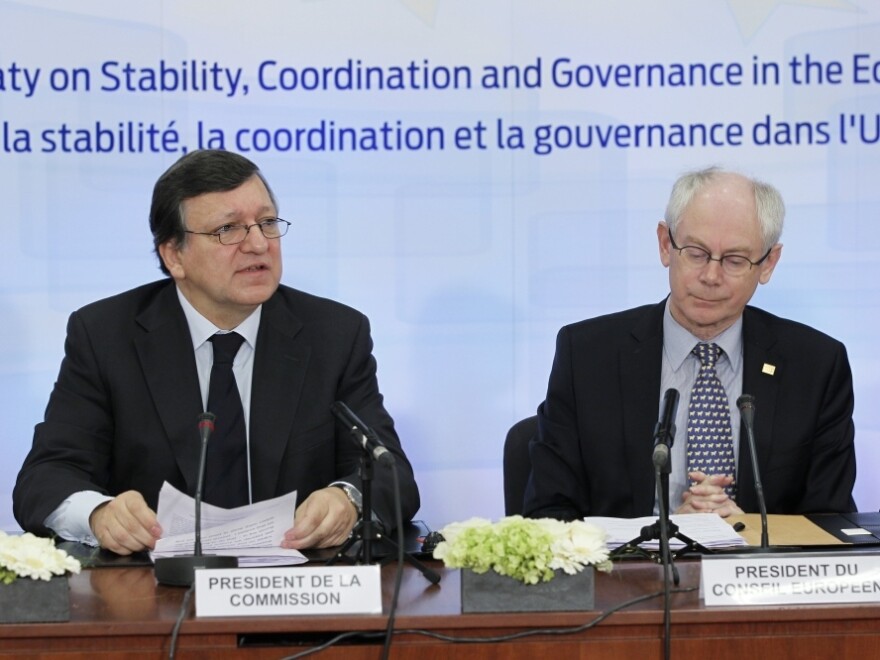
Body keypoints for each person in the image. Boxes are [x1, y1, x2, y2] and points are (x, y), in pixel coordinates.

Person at [14, 149, 419, 555]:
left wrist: (348, 499)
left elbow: (391, 473)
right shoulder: (106, 336)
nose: (259, 244)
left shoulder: (334, 335)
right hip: (153, 595)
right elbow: (47, 476)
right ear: (174, 255)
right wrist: (99, 513)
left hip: (299, 592)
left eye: (266, 223)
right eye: (229, 230)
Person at [523, 166, 856, 521]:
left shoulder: (816, 365)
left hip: (763, 575)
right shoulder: (587, 356)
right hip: (633, 574)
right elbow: (549, 513)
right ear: (666, 244)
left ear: (768, 263)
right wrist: (663, 535)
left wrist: (745, 532)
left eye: (734, 260)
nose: (710, 276)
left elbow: (831, 520)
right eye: (696, 253)